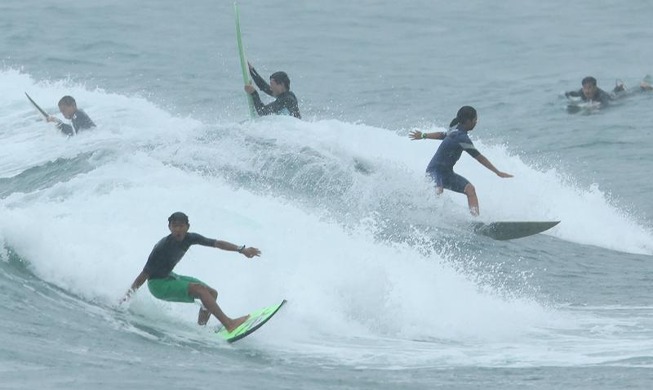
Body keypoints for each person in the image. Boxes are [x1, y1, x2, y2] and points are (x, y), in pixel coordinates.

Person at [121, 212, 261, 332]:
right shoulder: (162, 247)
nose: (178, 229)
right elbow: (143, 275)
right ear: (169, 227)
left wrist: (241, 250)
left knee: (212, 293)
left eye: (181, 226)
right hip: (158, 285)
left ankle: (201, 330)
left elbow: (217, 243)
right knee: (200, 290)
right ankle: (229, 324)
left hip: (169, 277)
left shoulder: (190, 238)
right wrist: (126, 298)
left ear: (187, 227)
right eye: (174, 226)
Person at [409, 106, 513, 216]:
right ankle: (428, 216)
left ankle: (476, 220)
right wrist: (497, 172)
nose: (476, 122)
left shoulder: (454, 129)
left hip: (447, 174)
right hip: (434, 172)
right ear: (468, 121)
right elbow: (479, 158)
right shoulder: (461, 138)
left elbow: (442, 135)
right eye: (475, 120)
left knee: (470, 190)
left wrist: (423, 135)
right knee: (437, 193)